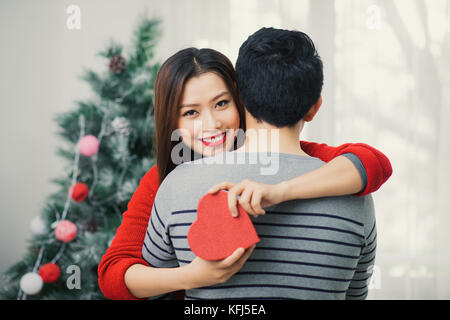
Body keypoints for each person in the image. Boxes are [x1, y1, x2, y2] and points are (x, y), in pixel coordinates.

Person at [98, 45, 391, 300]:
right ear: (171, 121)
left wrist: (278, 192)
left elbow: (372, 163)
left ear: (244, 101)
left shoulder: (307, 158)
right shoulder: (165, 180)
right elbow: (113, 276)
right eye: (191, 113)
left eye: (221, 104)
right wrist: (192, 277)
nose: (211, 124)